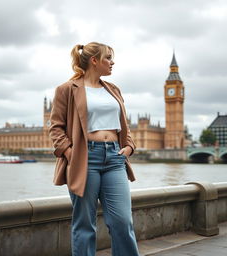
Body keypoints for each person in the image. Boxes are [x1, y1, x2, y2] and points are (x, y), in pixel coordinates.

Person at [49, 42, 140, 256]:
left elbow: (123, 124)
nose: (112, 62)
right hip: (84, 158)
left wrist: (128, 147)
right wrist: (71, 153)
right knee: (84, 224)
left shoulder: (113, 89)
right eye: (108, 58)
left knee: (122, 221)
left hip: (115, 158)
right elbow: (56, 127)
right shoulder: (67, 90)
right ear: (94, 61)